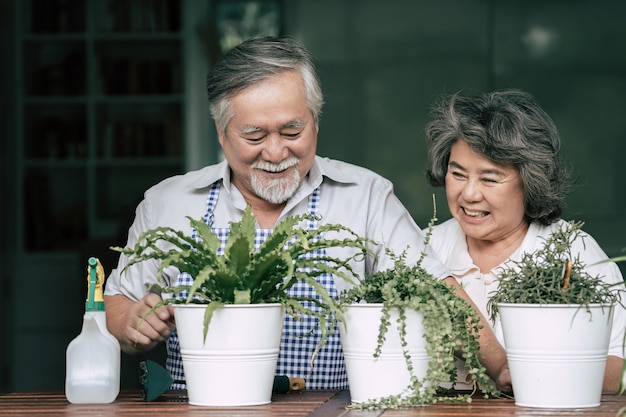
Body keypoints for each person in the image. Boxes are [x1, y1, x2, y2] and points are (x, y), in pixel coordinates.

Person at [103, 36, 509, 392]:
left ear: (315, 120)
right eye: (255, 136)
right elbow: (119, 300)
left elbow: (434, 288)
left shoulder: (365, 195)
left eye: (293, 132)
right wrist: (132, 323)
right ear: (221, 131)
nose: (277, 153)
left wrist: (502, 366)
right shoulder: (169, 201)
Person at [424, 88, 626, 393]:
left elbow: (618, 371)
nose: (469, 194)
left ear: (530, 182)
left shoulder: (577, 254)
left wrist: (532, 375)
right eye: (458, 174)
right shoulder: (425, 248)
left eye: (490, 179)